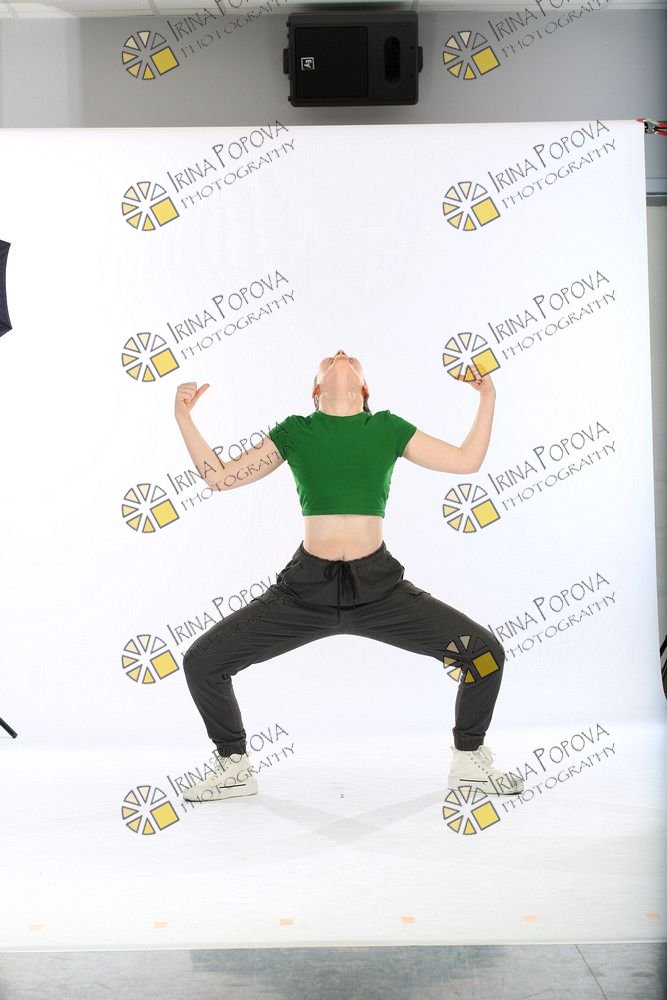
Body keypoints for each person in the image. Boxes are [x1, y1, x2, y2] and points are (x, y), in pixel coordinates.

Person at [176, 350, 523, 802]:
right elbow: (222, 478)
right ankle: (233, 766)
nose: (340, 355)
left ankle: (469, 760)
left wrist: (487, 396)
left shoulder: (386, 428)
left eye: (351, 358)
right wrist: (184, 417)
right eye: (329, 359)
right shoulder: (295, 431)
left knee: (484, 655)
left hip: (380, 590)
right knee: (202, 662)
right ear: (315, 389)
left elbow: (465, 460)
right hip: (305, 591)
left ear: (365, 389)